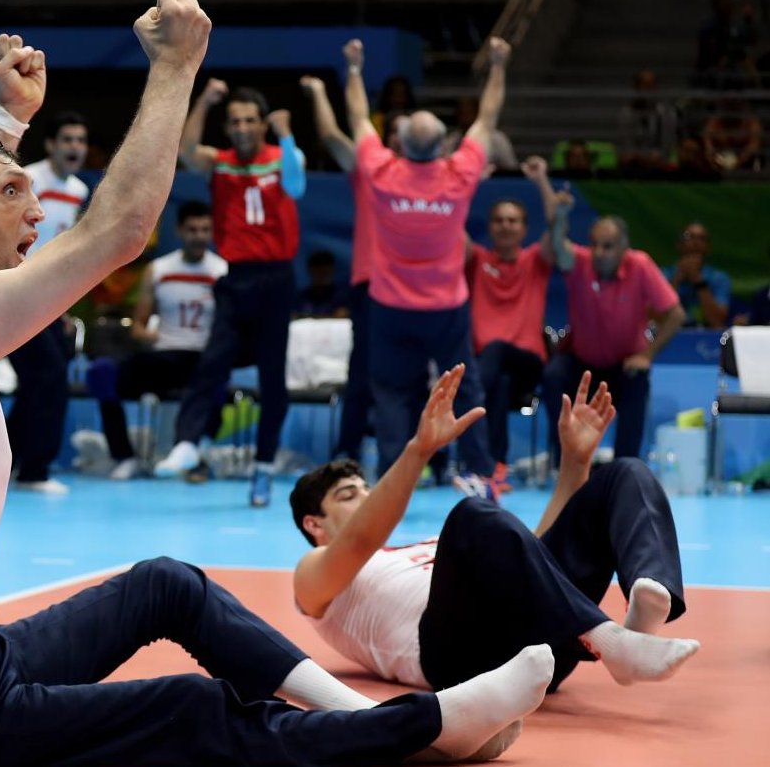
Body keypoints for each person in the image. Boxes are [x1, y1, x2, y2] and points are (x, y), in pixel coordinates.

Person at [0, 0, 554, 765]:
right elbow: (120, 231)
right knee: (188, 706)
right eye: (13, 193)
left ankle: (360, 711)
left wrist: (6, 118)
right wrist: (175, 66)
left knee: (167, 584)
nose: (36, 211)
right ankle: (416, 731)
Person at [289, 367, 700, 695]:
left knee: (625, 474)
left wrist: (575, 464)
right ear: (314, 524)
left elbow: (533, 559)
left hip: (537, 644)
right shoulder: (313, 576)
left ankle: (647, 601)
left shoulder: (427, 549)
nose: (364, 498)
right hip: (456, 660)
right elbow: (362, 537)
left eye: (367, 489)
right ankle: (611, 642)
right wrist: (419, 450)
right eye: (347, 495)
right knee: (472, 514)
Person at [342, 36, 509, 493]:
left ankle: (397, 479)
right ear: (440, 147)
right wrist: (497, 66)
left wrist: (355, 70)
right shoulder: (458, 176)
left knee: (393, 393)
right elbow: (488, 119)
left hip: (390, 307)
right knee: (464, 389)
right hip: (445, 308)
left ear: (402, 145)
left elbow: (357, 118)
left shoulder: (380, 171)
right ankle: (478, 473)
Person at [154, 75, 307, 508]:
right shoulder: (220, 163)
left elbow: (296, 186)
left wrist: (287, 132)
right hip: (236, 279)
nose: (241, 128)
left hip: (277, 281)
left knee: (272, 381)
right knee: (212, 363)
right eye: (234, 121)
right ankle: (189, 442)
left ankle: (262, 469)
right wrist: (203, 100)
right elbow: (185, 152)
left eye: (249, 121)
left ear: (262, 125)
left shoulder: (282, 156)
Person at [541, 193, 686, 463]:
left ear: (623, 247)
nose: (599, 252)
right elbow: (560, 248)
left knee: (637, 381)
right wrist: (560, 216)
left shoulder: (640, 265)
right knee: (554, 375)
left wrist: (647, 355)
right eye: (594, 244)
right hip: (582, 364)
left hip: (623, 367)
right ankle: (564, 462)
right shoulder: (580, 263)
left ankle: (625, 465)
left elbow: (676, 315)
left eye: (607, 246)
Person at [89, 199, 227, 479]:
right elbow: (137, 327)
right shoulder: (159, 270)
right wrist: (146, 335)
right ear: (179, 231)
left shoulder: (222, 273)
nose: (199, 237)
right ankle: (124, 457)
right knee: (101, 373)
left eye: (205, 230)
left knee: (217, 382)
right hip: (164, 356)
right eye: (192, 230)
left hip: (202, 358)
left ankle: (195, 456)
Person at [5, 110, 91, 494]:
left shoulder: (79, 192)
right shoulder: (29, 180)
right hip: (18, 293)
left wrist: (64, 305)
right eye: (68, 139)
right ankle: (34, 470)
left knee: (37, 382)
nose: (75, 147)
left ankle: (9, 461)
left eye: (81, 141)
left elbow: (68, 252)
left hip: (51, 302)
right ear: (51, 145)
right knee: (50, 376)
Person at [298, 73, 383, 464]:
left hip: (420, 293)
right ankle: (347, 452)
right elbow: (333, 135)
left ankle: (424, 460)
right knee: (361, 377)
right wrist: (323, 89)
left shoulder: (434, 181)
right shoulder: (372, 173)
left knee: (415, 380)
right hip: (372, 289)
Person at [464, 155, 559, 492]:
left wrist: (542, 181)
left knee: (495, 354)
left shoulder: (535, 260)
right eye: (499, 220)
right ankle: (494, 470)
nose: (506, 226)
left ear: (523, 227)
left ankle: (468, 431)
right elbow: (449, 227)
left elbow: (556, 227)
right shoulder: (476, 260)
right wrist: (470, 182)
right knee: (498, 382)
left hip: (527, 364)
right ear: (489, 227)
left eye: (513, 220)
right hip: (492, 372)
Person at [662, 222, 731, 329]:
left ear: (708, 247)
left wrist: (699, 281)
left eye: (702, 238)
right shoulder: (663, 275)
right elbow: (657, 318)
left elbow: (717, 322)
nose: (696, 242)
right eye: (689, 237)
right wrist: (676, 280)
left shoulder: (719, 278)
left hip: (707, 339)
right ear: (679, 244)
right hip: (671, 337)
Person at [294, 250, 349, 319]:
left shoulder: (342, 297)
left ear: (332, 269)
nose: (322, 271)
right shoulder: (301, 298)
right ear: (310, 270)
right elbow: (293, 315)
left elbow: (343, 314)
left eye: (326, 267)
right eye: (317, 266)